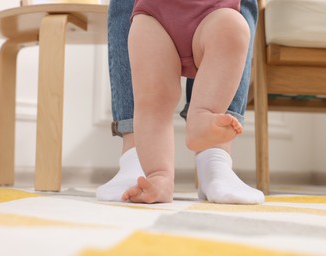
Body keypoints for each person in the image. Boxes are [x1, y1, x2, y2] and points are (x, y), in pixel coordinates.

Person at [96, 0, 265, 204]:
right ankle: (158, 177)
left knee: (234, 29)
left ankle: (206, 131)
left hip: (216, 11)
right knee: (152, 100)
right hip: (154, 13)